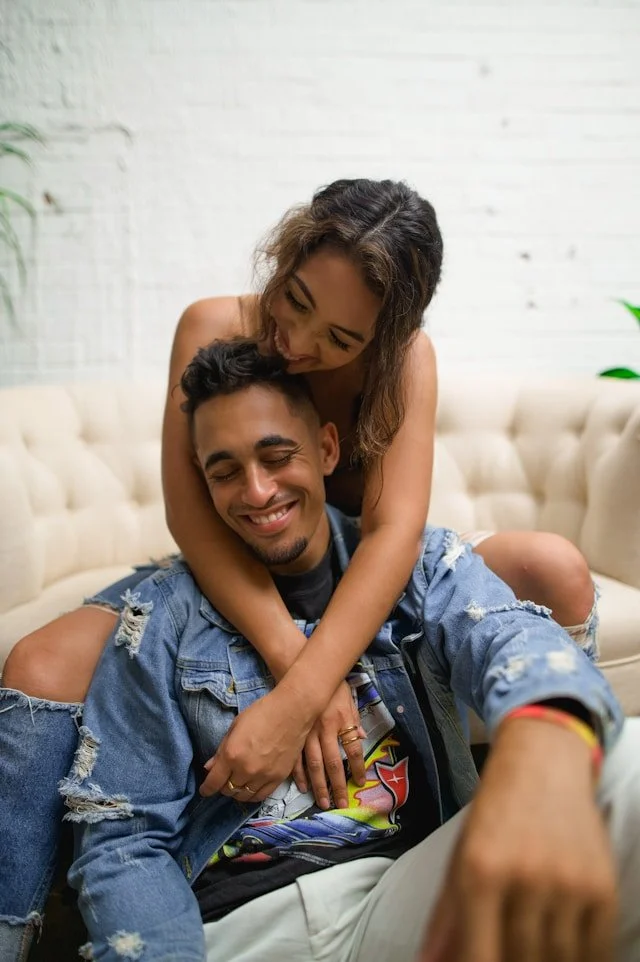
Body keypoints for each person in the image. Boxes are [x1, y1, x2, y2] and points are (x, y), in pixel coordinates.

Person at [0, 180, 598, 952]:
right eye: (296, 300)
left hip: (348, 555)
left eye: (340, 338)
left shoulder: (405, 360)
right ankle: (15, 928)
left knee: (551, 567)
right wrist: (298, 675)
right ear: (283, 259)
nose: (297, 342)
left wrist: (314, 685)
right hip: (236, 553)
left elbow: (393, 532)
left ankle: (554, 810)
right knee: (40, 663)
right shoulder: (212, 325)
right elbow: (196, 516)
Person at [53, 340, 640, 961]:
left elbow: (511, 640)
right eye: (225, 473)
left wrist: (545, 744)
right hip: (243, 929)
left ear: (327, 449)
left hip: (403, 898)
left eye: (277, 457)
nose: (257, 491)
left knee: (626, 760)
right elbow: (124, 842)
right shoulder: (163, 616)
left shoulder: (421, 568)